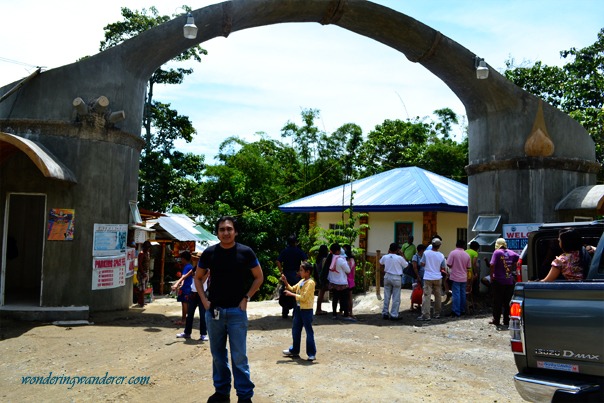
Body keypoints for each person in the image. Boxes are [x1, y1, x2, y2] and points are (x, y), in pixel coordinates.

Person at [194, 216, 264, 403]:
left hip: (236, 313)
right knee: (218, 355)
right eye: (222, 229)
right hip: (214, 311)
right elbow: (197, 277)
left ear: (235, 232)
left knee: (239, 356)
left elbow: (259, 277)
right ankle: (222, 392)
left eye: (229, 229)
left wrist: (246, 298)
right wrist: (204, 300)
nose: (225, 232)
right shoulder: (209, 253)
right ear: (217, 233)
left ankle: (244, 396)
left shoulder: (246, 252)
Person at [281, 262, 317, 361]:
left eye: (301, 270)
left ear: (308, 272)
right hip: (298, 309)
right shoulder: (302, 281)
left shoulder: (310, 283)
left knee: (308, 331)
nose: (299, 272)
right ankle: (294, 350)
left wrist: (291, 294)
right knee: (296, 330)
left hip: (306, 310)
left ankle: (311, 353)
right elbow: (292, 288)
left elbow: (304, 298)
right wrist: (285, 281)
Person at [176, 251, 209, 341]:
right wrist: (177, 284)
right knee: (190, 314)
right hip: (193, 293)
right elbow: (185, 276)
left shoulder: (206, 270)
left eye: (197, 259)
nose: (195, 261)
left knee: (203, 315)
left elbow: (201, 281)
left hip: (201, 293)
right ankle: (187, 332)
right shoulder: (195, 268)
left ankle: (203, 334)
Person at [489, 238, 519, 331]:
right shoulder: (511, 253)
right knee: (507, 302)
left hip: (498, 280)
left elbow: (491, 264)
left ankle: (496, 320)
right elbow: (518, 259)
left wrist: (491, 276)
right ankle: (506, 320)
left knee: (497, 301)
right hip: (509, 281)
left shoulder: (497, 252)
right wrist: (511, 268)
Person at [276, 235, 308, 318]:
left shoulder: (284, 251)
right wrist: (301, 271)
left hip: (286, 275)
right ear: (295, 242)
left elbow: (278, 261)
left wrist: (281, 272)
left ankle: (285, 311)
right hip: (296, 275)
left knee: (286, 292)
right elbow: (305, 260)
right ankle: (295, 312)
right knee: (297, 293)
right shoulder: (299, 251)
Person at [417, 238, 446, 321]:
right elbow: (443, 267)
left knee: (426, 296)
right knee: (438, 296)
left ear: (432, 245)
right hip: (437, 277)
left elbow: (422, 263)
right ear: (439, 246)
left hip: (428, 277)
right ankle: (437, 313)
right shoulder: (441, 255)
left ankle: (426, 315)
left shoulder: (426, 253)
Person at [379, 242, 407, 320]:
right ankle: (394, 314)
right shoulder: (399, 258)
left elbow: (380, 263)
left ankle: (385, 313)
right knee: (396, 297)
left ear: (389, 249)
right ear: (397, 250)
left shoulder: (385, 257)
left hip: (387, 276)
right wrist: (402, 254)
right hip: (397, 277)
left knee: (386, 296)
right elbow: (406, 265)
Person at [446, 240, 471, 317]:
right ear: (463, 246)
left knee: (456, 294)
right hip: (464, 277)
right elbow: (468, 267)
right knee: (462, 294)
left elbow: (449, 264)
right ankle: (462, 310)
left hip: (455, 276)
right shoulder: (467, 255)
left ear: (456, 245)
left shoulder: (453, 253)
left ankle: (456, 311)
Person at [327, 243, 352, 320]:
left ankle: (334, 314)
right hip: (342, 282)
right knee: (344, 298)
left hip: (333, 281)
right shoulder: (340, 259)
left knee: (335, 298)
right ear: (338, 251)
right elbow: (348, 270)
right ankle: (346, 314)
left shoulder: (330, 258)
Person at [172, 250, 194, 325]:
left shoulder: (187, 267)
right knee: (186, 303)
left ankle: (184, 320)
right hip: (188, 287)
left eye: (181, 258)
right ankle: (185, 319)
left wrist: (179, 284)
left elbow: (183, 277)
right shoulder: (190, 266)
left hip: (186, 287)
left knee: (184, 303)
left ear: (184, 259)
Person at [314, 245, 329, 315]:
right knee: (321, 293)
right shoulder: (324, 259)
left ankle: (318, 309)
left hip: (318, 278)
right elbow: (325, 270)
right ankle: (318, 310)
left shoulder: (318, 258)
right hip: (323, 278)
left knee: (320, 294)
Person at [343, 244, 356, 319]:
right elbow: (353, 271)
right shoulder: (352, 260)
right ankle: (350, 312)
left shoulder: (344, 259)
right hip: (351, 279)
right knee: (350, 297)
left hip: (345, 279)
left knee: (345, 297)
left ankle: (346, 311)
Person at [136, 240, 151, 307]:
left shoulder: (147, 253)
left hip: (146, 272)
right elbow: (139, 265)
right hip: (141, 273)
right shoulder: (141, 254)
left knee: (144, 288)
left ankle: (141, 301)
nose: (148, 248)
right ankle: (141, 302)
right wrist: (143, 273)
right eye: (147, 247)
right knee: (141, 289)